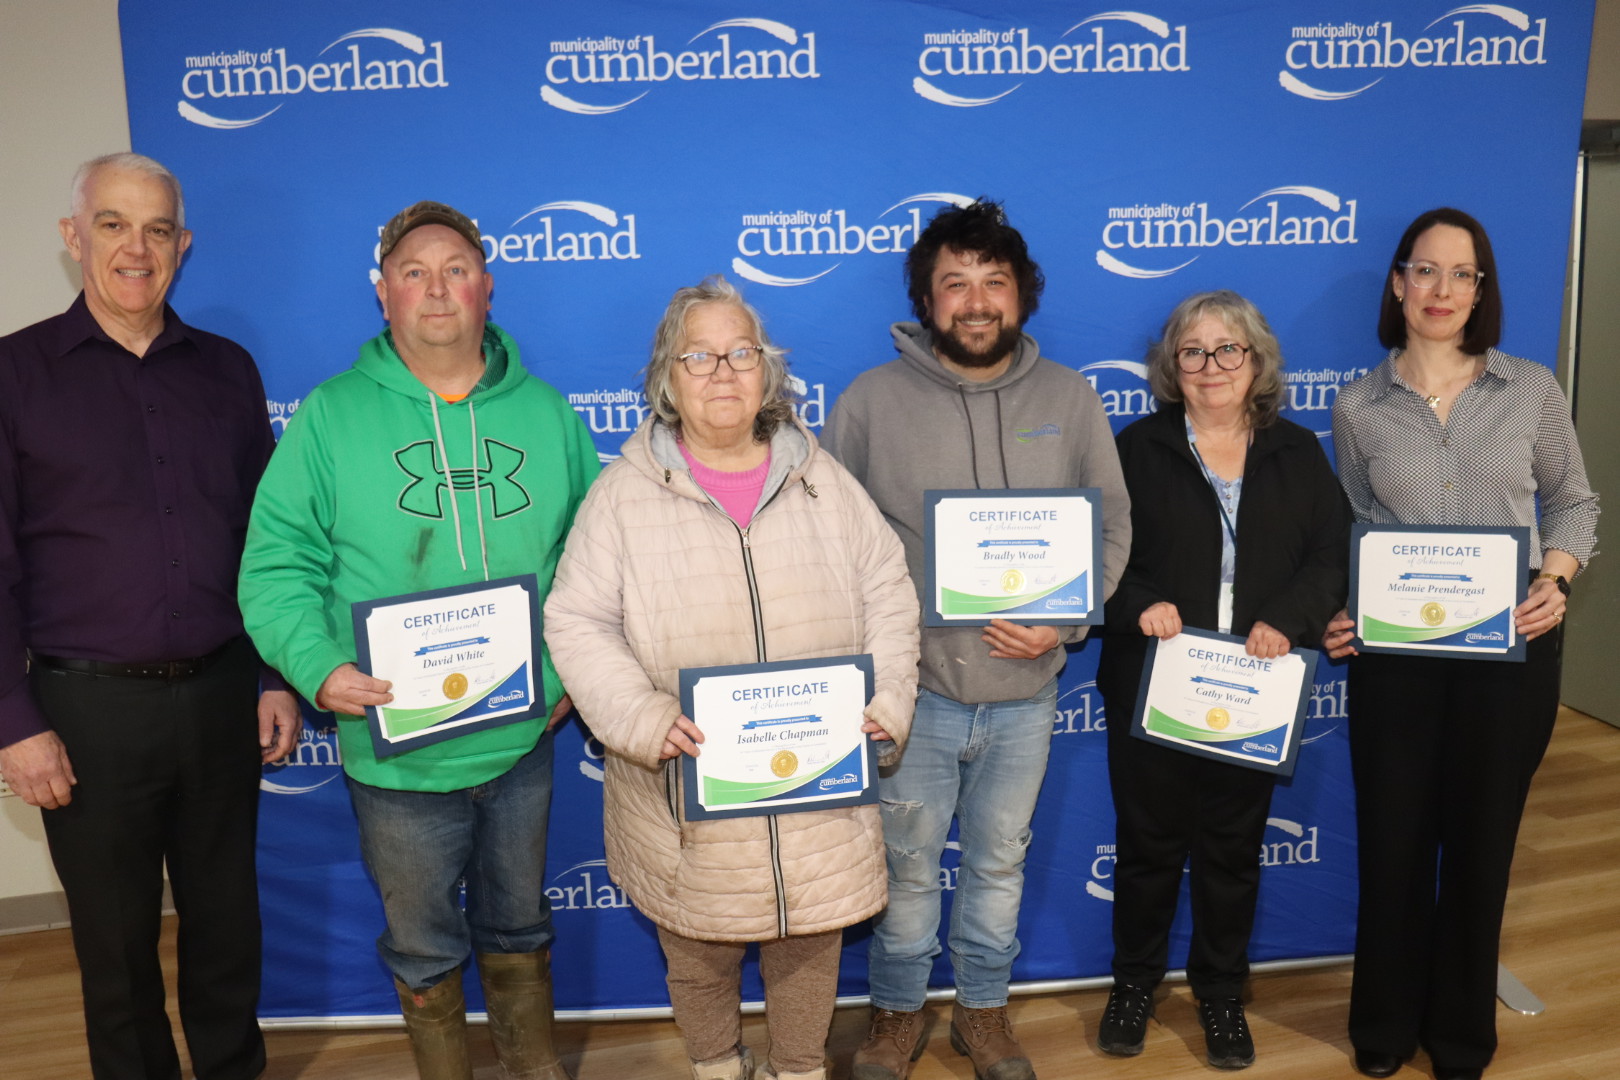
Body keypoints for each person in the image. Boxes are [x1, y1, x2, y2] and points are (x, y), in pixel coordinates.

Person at [237, 200, 598, 1080]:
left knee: (520, 923)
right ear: (383, 294)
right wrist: (317, 668)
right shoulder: (329, 417)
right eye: (413, 272)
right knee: (423, 941)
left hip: (522, 737)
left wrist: (566, 679)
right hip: (395, 754)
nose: (436, 289)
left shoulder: (548, 415)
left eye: (456, 269)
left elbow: (600, 561)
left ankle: (533, 1066)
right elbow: (275, 564)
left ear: (486, 287)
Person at [543, 276, 920, 1080]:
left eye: (741, 352)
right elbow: (575, 621)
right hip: (688, 792)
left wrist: (889, 698)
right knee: (698, 952)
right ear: (667, 378)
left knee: (810, 950)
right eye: (700, 355)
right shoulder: (622, 496)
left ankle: (797, 1068)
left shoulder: (825, 480)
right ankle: (716, 1064)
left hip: (819, 791)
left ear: (769, 370)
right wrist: (641, 719)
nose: (723, 371)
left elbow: (888, 588)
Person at [0, 152, 301, 1080]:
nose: (138, 247)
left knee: (227, 927)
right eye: (114, 224)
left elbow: (268, 544)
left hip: (220, 698)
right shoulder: (15, 373)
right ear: (72, 237)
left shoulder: (226, 371)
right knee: (115, 946)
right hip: (85, 715)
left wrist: (277, 673)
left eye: (159, 228)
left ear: (184, 244)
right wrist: (15, 726)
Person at [822, 199, 1131, 1080]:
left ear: (1021, 296)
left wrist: (1067, 622)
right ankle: (894, 1017)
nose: (976, 301)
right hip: (914, 699)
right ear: (927, 300)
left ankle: (984, 1014)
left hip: (1029, 699)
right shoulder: (870, 403)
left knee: (999, 866)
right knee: (909, 872)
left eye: (993, 282)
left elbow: (1112, 529)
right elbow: (831, 544)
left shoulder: (1069, 399)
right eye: (954, 283)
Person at [1324, 208, 1599, 1080]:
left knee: (1481, 844)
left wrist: (1553, 581)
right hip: (1396, 662)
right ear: (1399, 283)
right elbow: (1362, 525)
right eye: (1425, 271)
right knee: (1394, 840)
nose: (1442, 291)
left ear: (1482, 290)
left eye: (1462, 274)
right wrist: (1349, 610)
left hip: (1508, 658)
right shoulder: (1359, 406)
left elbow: (1575, 504)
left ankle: (1460, 1037)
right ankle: (1383, 1027)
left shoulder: (1531, 391)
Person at [1093, 291, 1351, 1070]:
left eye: (1227, 349)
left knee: (1233, 850)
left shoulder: (1297, 451)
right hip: (1154, 684)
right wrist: (1141, 603)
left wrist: (1288, 619)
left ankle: (1220, 994)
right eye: (1193, 351)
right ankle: (1135, 984)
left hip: (1254, 688)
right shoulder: (1134, 448)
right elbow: (1100, 551)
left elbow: (1333, 554)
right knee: (1147, 847)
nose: (1211, 366)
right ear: (1173, 366)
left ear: (1256, 360)